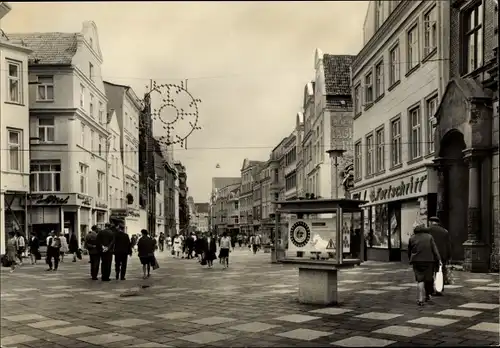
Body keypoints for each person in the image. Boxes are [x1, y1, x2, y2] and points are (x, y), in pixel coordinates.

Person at [408, 220, 441, 306]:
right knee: (428, 279)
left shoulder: (412, 238)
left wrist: (411, 259)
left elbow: (410, 251)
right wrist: (439, 259)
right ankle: (428, 295)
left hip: (416, 261)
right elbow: (435, 249)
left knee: (420, 280)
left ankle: (420, 298)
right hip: (429, 261)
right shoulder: (429, 237)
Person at [428, 216, 452, 295]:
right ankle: (439, 290)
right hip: (442, 256)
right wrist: (448, 256)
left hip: (430, 255)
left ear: (431, 222)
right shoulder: (445, 231)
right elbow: (448, 245)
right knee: (439, 272)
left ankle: (430, 290)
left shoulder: (427, 231)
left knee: (429, 273)